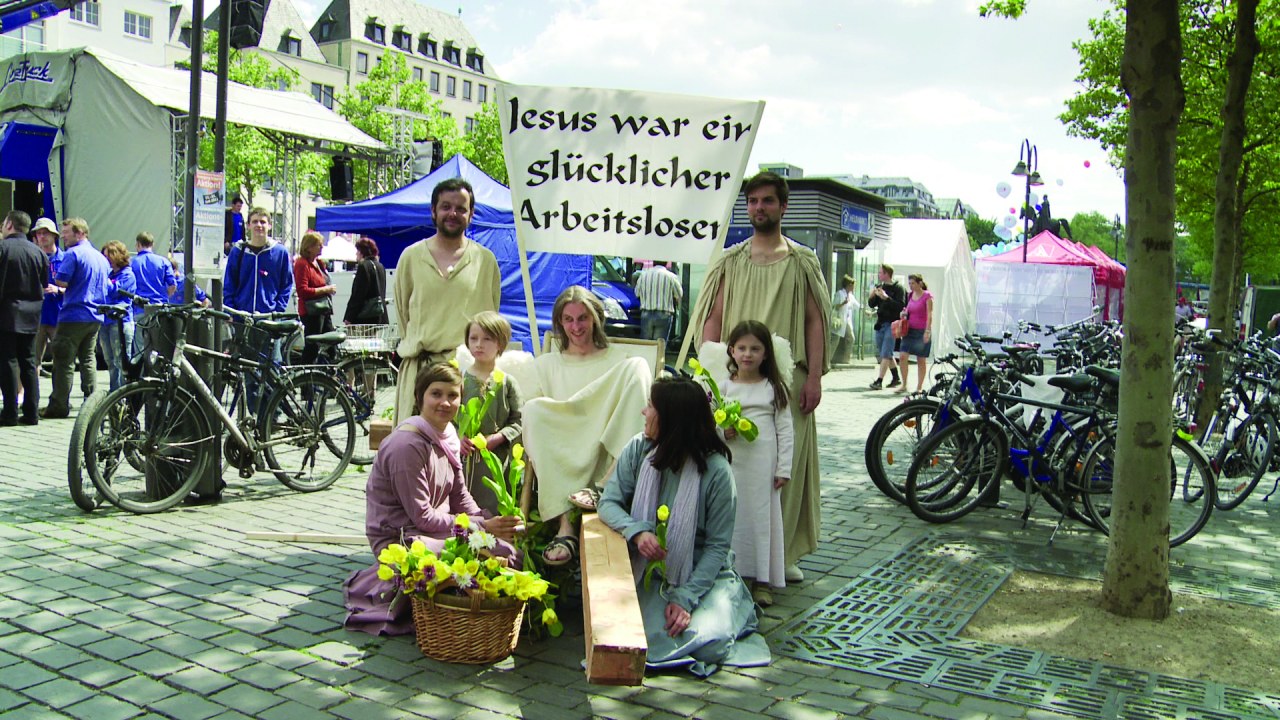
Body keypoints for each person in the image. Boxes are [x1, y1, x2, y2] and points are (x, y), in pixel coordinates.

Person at [689, 171, 830, 584]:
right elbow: (712, 320)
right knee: (734, 468)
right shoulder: (731, 261)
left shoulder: (803, 261)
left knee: (784, 465)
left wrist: (815, 377)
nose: (759, 208)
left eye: (767, 201)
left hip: (787, 382)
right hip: (734, 382)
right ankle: (729, 552)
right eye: (752, 201)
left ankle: (780, 554)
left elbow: (814, 320)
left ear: (783, 207)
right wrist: (707, 378)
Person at [597, 377, 771, 677]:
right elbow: (608, 502)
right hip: (650, 572)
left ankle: (732, 612)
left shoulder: (716, 471)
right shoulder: (638, 450)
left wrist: (685, 598)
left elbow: (717, 547)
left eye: (651, 407)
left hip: (702, 576)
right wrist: (636, 531)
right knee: (640, 634)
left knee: (708, 642)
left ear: (672, 419)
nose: (643, 412)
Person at [342, 362, 521, 635]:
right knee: (475, 563)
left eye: (452, 395)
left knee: (507, 551)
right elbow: (422, 517)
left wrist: (491, 523)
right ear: (420, 397)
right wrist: (481, 528)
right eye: (436, 394)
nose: (445, 403)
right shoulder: (407, 446)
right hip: (401, 535)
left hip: (436, 529)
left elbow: (460, 496)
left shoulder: (448, 435)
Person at [522, 285, 652, 567]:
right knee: (532, 409)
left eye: (583, 318)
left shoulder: (621, 361)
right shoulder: (546, 364)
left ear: (596, 319)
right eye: (568, 320)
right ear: (559, 323)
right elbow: (534, 416)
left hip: (604, 439)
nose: (576, 326)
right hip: (563, 437)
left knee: (640, 366)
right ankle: (565, 526)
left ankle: (606, 486)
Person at [393, 178, 500, 423]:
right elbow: (403, 316)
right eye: (445, 206)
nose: (453, 213)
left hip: (467, 375)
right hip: (420, 373)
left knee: (465, 456)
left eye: (461, 208)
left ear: (471, 214)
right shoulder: (411, 257)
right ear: (433, 211)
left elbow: (492, 319)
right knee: (413, 454)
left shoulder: (485, 260)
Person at [719, 321, 793, 606]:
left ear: (766, 354)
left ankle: (764, 580)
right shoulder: (722, 387)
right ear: (732, 352)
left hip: (763, 465)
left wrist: (783, 468)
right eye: (742, 348)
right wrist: (722, 432)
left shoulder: (773, 388)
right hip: (732, 463)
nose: (747, 354)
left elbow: (785, 430)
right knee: (734, 518)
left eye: (755, 349)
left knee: (763, 520)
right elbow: (709, 423)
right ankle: (733, 574)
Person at [43, 218, 110, 419]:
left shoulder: (73, 254)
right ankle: (91, 403)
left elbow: (61, 280)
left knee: (63, 362)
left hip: (73, 315)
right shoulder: (100, 257)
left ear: (80, 232)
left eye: (66, 232)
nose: (63, 236)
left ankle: (59, 405)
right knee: (88, 360)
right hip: (95, 316)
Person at [458, 311, 523, 514]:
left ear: (500, 344)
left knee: (493, 505)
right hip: (464, 460)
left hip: (496, 461)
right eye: (474, 338)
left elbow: (519, 421)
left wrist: (496, 438)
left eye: (487, 339)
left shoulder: (507, 382)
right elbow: (446, 418)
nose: (479, 344)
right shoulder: (459, 379)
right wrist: (458, 438)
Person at [0, 211, 48, 425]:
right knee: (29, 363)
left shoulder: (2, 248)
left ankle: (10, 411)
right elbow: (44, 284)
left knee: (8, 362)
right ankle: (31, 412)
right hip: (32, 315)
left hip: (6, 313)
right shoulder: (38, 253)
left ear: (9, 224)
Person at [223, 207, 292, 314]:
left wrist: (278, 311)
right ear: (248, 225)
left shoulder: (280, 252)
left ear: (269, 225)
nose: (259, 225)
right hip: (241, 317)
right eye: (255, 222)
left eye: (263, 222)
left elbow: (286, 285)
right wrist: (231, 311)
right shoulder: (238, 251)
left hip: (269, 318)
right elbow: (229, 284)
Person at [293, 231, 337, 365]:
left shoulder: (319, 263)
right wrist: (325, 289)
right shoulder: (302, 264)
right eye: (319, 245)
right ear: (309, 247)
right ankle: (306, 379)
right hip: (311, 312)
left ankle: (328, 376)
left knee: (332, 343)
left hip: (324, 309)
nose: (322, 247)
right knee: (312, 347)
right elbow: (302, 291)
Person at [98, 241, 137, 392]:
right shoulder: (110, 274)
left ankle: (123, 395)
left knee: (121, 361)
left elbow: (114, 291)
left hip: (121, 323)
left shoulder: (128, 275)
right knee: (110, 361)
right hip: (105, 322)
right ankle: (114, 394)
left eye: (107, 256)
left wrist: (103, 280)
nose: (105, 259)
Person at [130, 231, 175, 355]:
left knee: (140, 347)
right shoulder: (163, 261)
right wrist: (165, 296)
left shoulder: (132, 262)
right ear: (152, 244)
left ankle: (140, 372)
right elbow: (172, 285)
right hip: (160, 310)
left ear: (138, 244)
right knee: (159, 346)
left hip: (140, 310)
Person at [31, 218, 63, 379]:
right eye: (38, 234)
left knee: (60, 360)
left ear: (54, 236)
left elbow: (77, 286)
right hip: (36, 316)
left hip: (57, 316)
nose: (42, 237)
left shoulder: (64, 259)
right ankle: (31, 399)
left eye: (45, 233)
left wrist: (59, 289)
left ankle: (57, 401)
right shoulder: (32, 257)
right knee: (32, 360)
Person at [867, 264, 905, 389]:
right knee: (886, 353)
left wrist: (886, 298)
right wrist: (872, 296)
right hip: (880, 323)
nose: (879, 274)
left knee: (885, 353)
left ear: (887, 274)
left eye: (880, 272)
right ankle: (896, 378)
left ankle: (879, 381)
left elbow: (900, 306)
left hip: (892, 324)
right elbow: (872, 305)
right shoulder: (880, 287)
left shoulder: (898, 288)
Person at [896, 274, 934, 394]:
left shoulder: (927, 296)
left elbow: (930, 315)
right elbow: (908, 311)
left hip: (922, 331)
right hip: (909, 330)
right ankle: (904, 384)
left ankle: (919, 387)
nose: (911, 286)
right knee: (902, 356)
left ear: (920, 283)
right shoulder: (910, 295)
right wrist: (903, 315)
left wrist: (927, 331)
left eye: (913, 283)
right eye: (910, 283)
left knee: (920, 359)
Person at [343, 237, 388, 325]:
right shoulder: (380, 266)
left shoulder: (363, 266)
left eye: (357, 250)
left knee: (360, 338)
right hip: (379, 315)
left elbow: (358, 294)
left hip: (365, 317)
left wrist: (349, 317)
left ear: (361, 251)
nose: (356, 253)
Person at [635, 260, 683, 343]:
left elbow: (637, 293)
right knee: (659, 346)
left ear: (653, 262)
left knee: (645, 345)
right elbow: (679, 294)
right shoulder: (671, 276)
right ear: (666, 263)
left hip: (646, 313)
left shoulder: (643, 275)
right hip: (664, 313)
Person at [831, 274, 859, 365]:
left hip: (847, 321)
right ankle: (827, 359)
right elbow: (834, 306)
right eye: (853, 285)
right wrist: (843, 303)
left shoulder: (851, 296)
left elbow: (857, 306)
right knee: (835, 340)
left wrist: (867, 312)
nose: (854, 287)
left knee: (851, 338)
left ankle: (846, 359)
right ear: (849, 285)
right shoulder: (839, 294)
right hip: (839, 320)